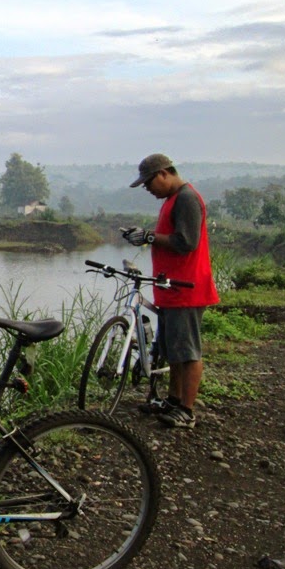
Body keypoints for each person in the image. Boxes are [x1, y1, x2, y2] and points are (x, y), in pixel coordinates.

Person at [122, 153, 219, 429]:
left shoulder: (187, 198)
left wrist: (150, 236)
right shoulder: (172, 200)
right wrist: (144, 235)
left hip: (187, 289)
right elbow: (169, 237)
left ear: (163, 173)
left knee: (187, 351)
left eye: (149, 183)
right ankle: (174, 400)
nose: (148, 189)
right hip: (171, 288)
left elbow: (186, 242)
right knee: (173, 349)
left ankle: (187, 411)